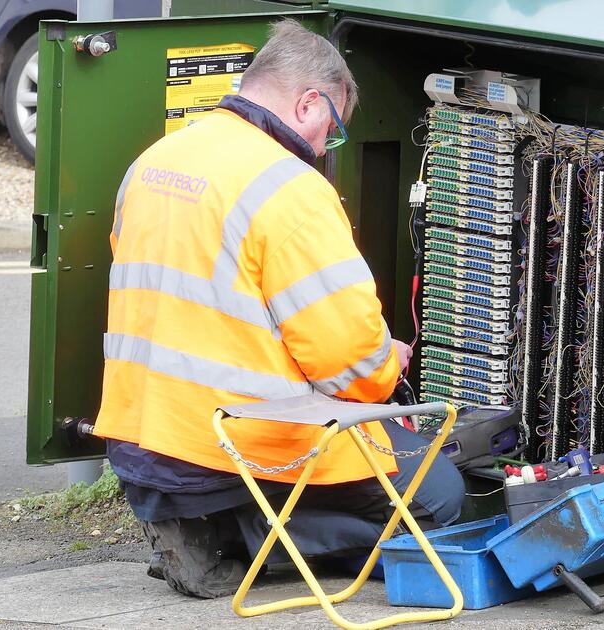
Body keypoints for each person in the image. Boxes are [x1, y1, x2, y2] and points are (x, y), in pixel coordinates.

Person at [91, 19, 464, 599]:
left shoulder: (156, 160)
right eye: (333, 131)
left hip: (141, 443)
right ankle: (240, 535)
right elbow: (350, 366)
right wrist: (388, 362)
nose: (324, 148)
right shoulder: (290, 188)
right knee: (440, 497)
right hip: (235, 447)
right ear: (309, 102)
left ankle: (200, 522)